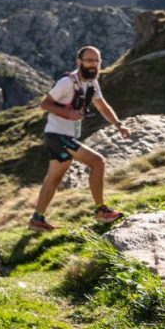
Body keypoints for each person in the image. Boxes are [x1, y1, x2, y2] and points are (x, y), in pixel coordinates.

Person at [29, 45, 131, 231]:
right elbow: (44, 104)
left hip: (63, 136)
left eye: (97, 61)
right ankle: (101, 211)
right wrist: (68, 114)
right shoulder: (67, 82)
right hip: (57, 135)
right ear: (79, 62)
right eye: (89, 60)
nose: (93, 64)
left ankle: (37, 220)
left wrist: (118, 124)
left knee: (53, 179)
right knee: (97, 162)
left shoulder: (92, 83)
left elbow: (102, 106)